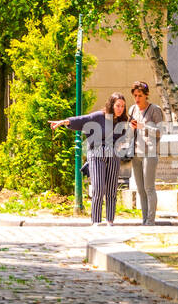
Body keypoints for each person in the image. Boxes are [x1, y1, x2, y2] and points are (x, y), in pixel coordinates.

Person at [49, 93, 132, 226]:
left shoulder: (122, 121)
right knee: (98, 188)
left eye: (122, 106)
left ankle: (110, 221)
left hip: (113, 156)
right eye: (117, 105)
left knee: (111, 189)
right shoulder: (98, 116)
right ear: (111, 105)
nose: (120, 108)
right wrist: (64, 122)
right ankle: (96, 221)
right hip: (96, 154)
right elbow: (81, 120)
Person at [129, 80, 164, 226]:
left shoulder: (155, 110)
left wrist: (144, 126)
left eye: (140, 96)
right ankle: (144, 220)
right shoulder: (132, 110)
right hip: (135, 153)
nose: (137, 99)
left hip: (150, 153)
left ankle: (150, 221)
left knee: (149, 188)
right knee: (140, 189)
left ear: (146, 95)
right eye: (135, 95)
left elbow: (160, 133)